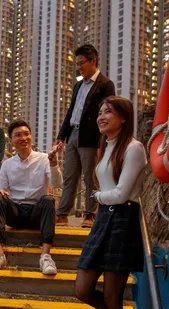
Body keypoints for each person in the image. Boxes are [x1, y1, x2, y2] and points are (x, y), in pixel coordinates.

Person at [69, 96, 147, 309]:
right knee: (82, 288)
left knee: (113, 296)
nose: (102, 117)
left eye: (108, 112)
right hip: (105, 218)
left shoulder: (134, 148)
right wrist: (102, 199)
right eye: (100, 112)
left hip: (123, 219)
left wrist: (97, 196)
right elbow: (109, 191)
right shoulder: (107, 146)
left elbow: (122, 193)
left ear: (123, 118)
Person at [0, 119, 64, 275]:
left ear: (31, 137)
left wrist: (53, 161)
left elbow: (57, 183)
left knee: (48, 199)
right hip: (16, 213)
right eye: (18, 135)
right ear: (12, 141)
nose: (23, 138)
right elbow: (1, 189)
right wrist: (0, 193)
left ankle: (46, 256)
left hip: (37, 213)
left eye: (26, 134)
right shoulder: (7, 164)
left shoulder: (43, 159)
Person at [55, 44, 116, 228]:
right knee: (70, 175)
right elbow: (71, 111)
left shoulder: (105, 85)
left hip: (91, 136)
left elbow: (108, 115)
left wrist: (102, 142)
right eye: (77, 63)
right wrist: (61, 135)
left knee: (90, 177)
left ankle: (90, 214)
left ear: (93, 61)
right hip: (73, 133)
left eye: (82, 63)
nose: (79, 67)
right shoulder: (78, 85)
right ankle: (62, 213)